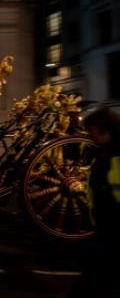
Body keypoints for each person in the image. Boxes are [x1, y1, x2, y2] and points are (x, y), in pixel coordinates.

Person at [69, 107, 120, 297]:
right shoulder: (105, 153)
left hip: (112, 231)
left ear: (104, 129)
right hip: (106, 229)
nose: (89, 135)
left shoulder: (113, 157)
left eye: (92, 130)